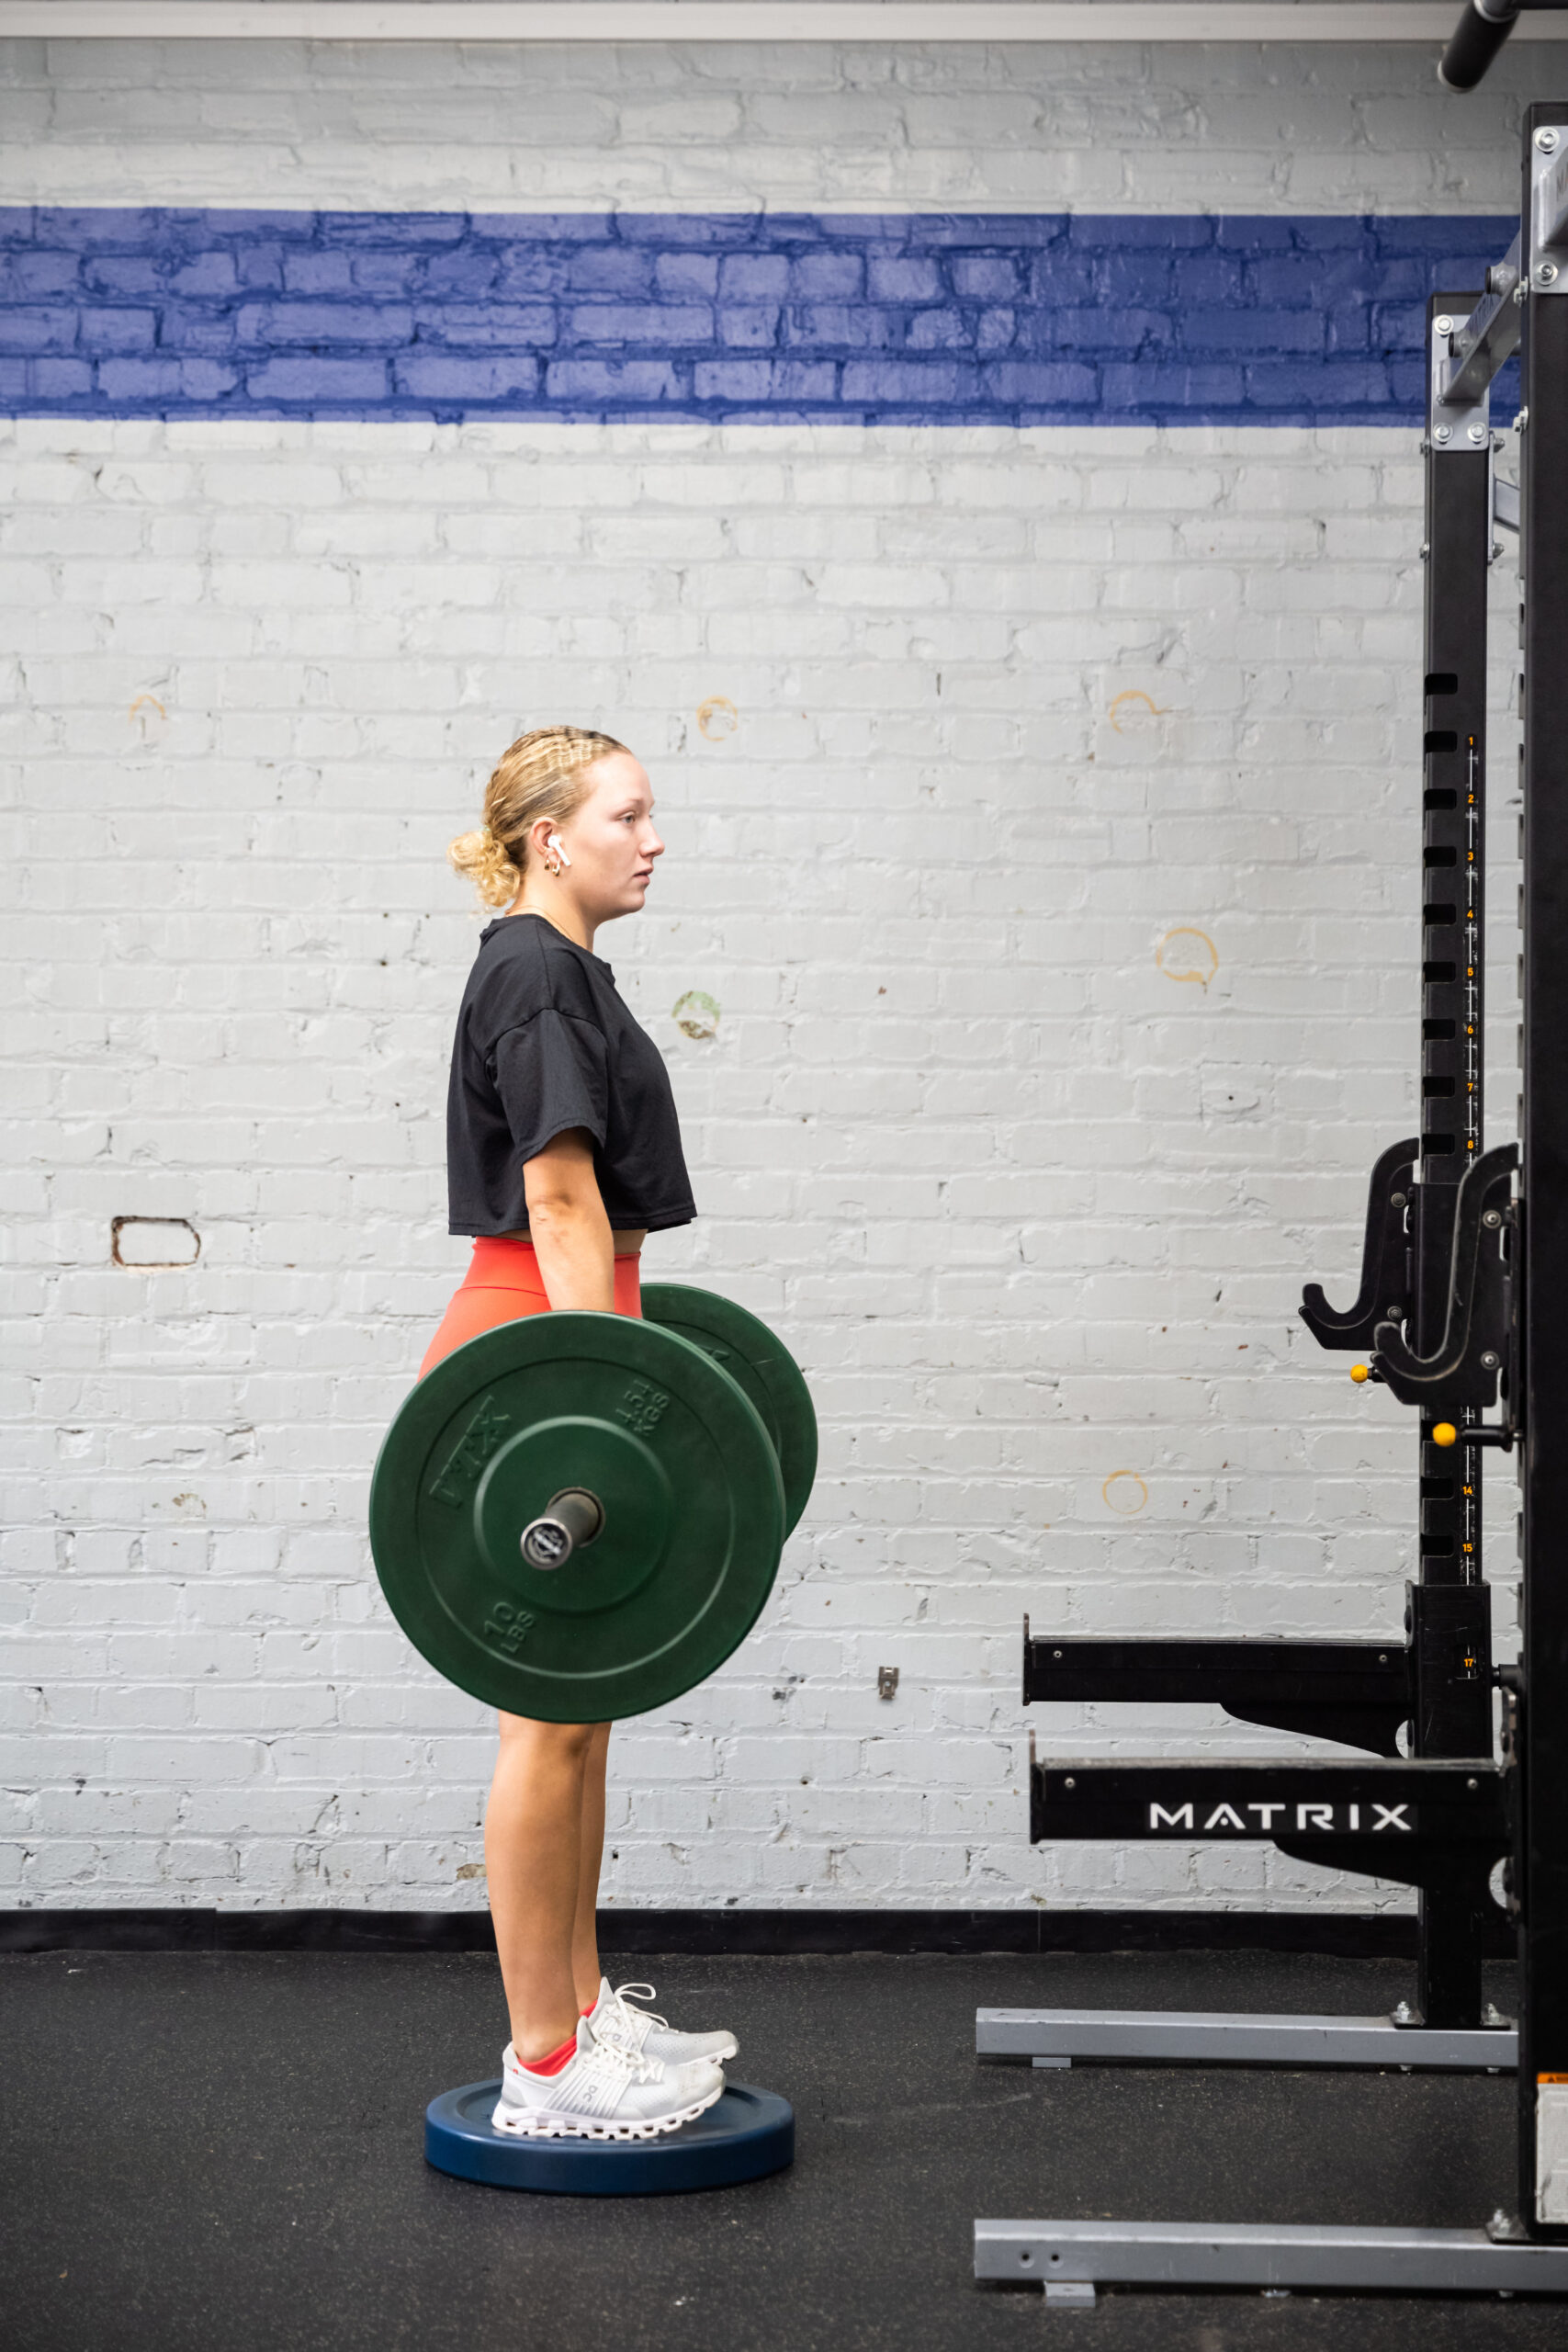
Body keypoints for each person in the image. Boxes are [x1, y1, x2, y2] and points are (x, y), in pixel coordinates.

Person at [425, 724, 738, 2141]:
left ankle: (585, 2009)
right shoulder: (538, 971)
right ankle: (542, 2066)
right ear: (551, 836)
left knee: (582, 1724)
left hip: (570, 1334)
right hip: (540, 1350)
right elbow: (558, 1200)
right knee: (545, 1730)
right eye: (628, 814)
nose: (653, 836)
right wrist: (588, 1389)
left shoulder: (554, 968)